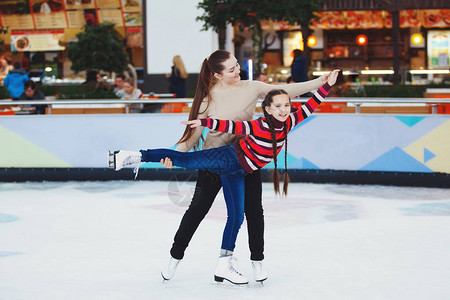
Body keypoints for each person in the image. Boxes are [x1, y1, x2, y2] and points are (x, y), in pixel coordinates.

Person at [109, 70, 339, 284]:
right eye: (277, 106)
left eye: (286, 105)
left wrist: (326, 85)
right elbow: (231, 125)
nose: (283, 110)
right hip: (226, 158)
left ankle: (223, 264)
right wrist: (204, 122)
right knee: (187, 162)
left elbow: (312, 104)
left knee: (237, 217)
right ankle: (133, 156)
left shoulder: (290, 121)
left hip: (239, 172)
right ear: (267, 109)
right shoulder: (258, 125)